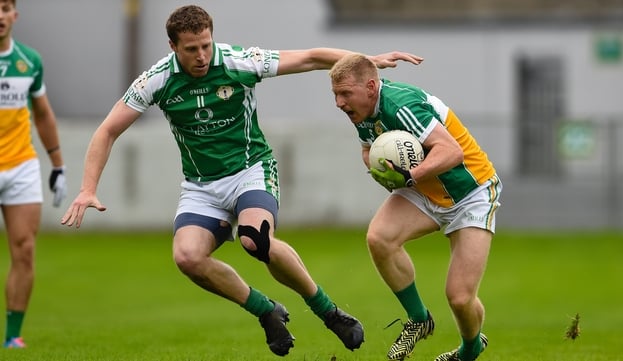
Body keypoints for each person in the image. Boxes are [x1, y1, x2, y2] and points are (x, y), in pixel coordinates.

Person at [60, 5, 423, 357]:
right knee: (187, 258)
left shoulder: (238, 61)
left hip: (252, 169)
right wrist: (88, 189)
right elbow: (107, 130)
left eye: (206, 45)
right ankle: (266, 311)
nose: (202, 55)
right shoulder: (157, 79)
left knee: (255, 240)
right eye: (192, 49)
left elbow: (311, 57)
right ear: (173, 47)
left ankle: (328, 311)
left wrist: (364, 61)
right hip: (201, 186)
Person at [328, 53, 502, 361]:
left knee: (460, 298)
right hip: (424, 189)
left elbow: (452, 152)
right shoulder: (362, 111)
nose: (339, 103)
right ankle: (419, 320)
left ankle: (470, 349)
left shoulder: (400, 106)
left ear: (370, 87)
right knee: (379, 238)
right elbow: (369, 148)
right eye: (336, 95)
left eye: (345, 94)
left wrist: (409, 176)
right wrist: (378, 167)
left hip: (471, 192)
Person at [0, 0, 67, 349]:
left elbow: (42, 114)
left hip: (20, 165)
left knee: (24, 250)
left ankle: (13, 336)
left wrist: (58, 165)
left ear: (15, 15)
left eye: (5, 7)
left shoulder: (29, 61)